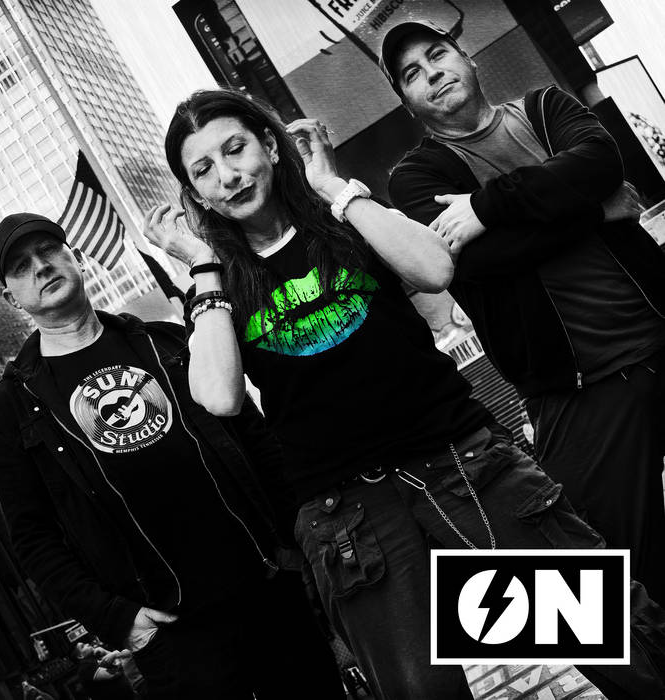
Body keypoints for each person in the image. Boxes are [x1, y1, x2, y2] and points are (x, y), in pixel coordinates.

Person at [146, 88, 665, 700]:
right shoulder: (218, 279)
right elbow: (218, 396)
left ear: (270, 145)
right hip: (348, 514)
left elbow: (435, 269)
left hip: (461, 464)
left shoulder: (342, 218)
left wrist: (333, 188)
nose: (228, 176)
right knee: (424, 693)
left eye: (235, 149)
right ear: (195, 193)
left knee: (615, 642)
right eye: (203, 170)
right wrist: (203, 269)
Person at [0, 212, 344, 700]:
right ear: (11, 298)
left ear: (77, 258)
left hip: (268, 587)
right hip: (173, 634)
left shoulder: (165, 342)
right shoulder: (11, 406)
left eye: (48, 251)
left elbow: (257, 441)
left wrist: (295, 543)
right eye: (21, 267)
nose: (40, 267)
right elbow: (33, 537)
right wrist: (119, 619)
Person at [381, 19, 665, 608]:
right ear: (407, 102)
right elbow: (485, 261)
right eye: (411, 73)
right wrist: (596, 210)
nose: (431, 73)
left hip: (661, 332)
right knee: (615, 578)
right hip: (577, 392)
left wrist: (488, 206)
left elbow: (601, 163)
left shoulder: (544, 107)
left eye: (437, 54)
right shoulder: (416, 177)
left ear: (468, 58)